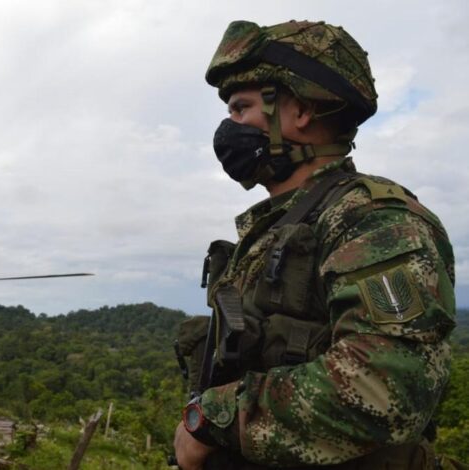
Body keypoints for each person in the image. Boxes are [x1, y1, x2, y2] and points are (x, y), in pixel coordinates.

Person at [174, 20, 456, 469]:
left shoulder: (374, 221)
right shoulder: (276, 228)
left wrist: (214, 418)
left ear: (300, 111)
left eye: (241, 107)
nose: (229, 126)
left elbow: (387, 387)